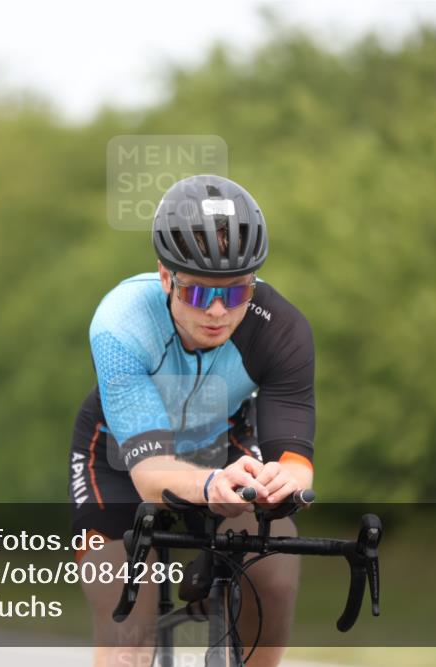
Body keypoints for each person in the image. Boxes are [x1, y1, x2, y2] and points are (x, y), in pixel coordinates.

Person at [68, 174, 315, 666]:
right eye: (201, 295)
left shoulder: (282, 329)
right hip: (117, 459)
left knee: (277, 575)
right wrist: (208, 489)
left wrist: (279, 482)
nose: (220, 312)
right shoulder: (121, 322)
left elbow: (295, 460)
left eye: (238, 292)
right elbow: (151, 473)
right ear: (166, 277)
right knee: (128, 623)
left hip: (223, 446)